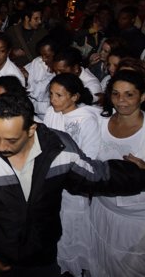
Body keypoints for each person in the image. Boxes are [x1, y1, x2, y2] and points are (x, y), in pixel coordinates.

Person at [0, 92, 145, 277]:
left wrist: (142, 176)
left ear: (31, 130)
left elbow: (95, 175)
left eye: (10, 140)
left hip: (42, 256)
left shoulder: (59, 149)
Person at [90, 70, 145, 277]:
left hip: (137, 223)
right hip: (101, 210)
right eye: (115, 94)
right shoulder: (98, 122)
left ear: (142, 97)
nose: (121, 100)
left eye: (129, 94)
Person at [42, 73, 100, 277]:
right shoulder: (51, 112)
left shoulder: (87, 119)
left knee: (74, 230)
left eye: (59, 95)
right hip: (52, 184)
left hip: (74, 185)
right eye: (51, 94)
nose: (53, 100)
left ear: (74, 97)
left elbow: (90, 156)